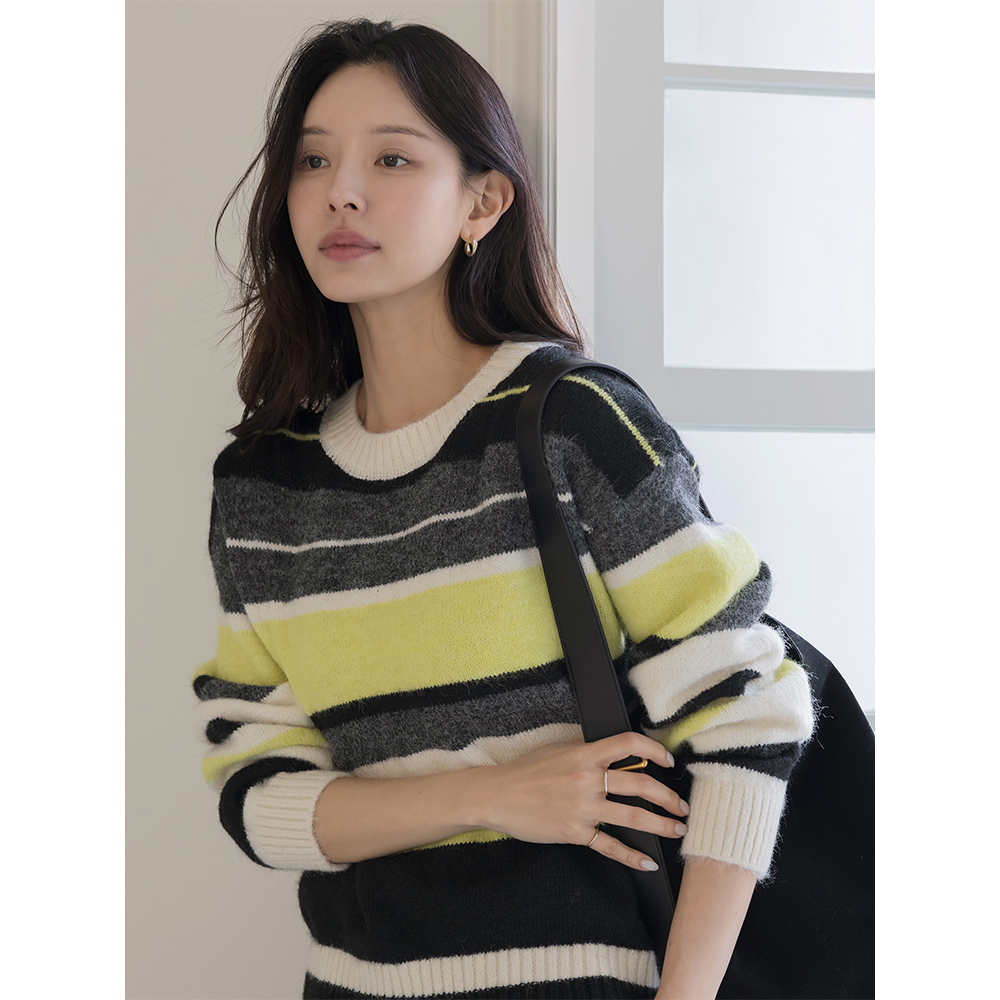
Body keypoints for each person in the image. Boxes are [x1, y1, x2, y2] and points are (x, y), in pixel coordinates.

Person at [194, 17, 815, 1000]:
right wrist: (491, 795)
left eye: (391, 157)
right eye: (313, 160)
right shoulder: (262, 490)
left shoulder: (576, 424)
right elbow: (258, 795)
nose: (341, 191)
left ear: (481, 201)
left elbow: (747, 711)